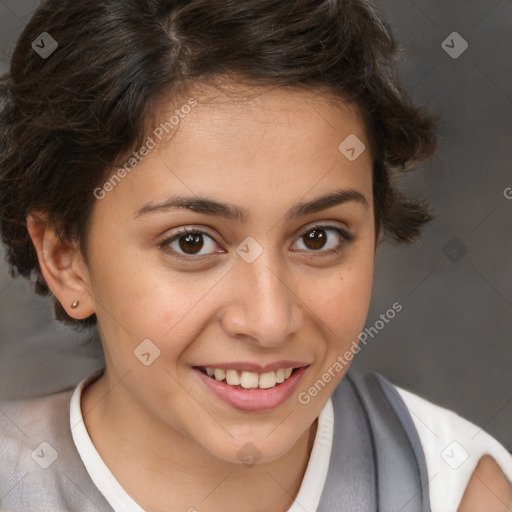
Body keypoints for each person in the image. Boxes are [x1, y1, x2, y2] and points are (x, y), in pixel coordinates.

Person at [0, 0, 511, 510]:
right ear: (66, 259)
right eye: (191, 242)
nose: (269, 322)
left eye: (318, 237)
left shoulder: (458, 490)